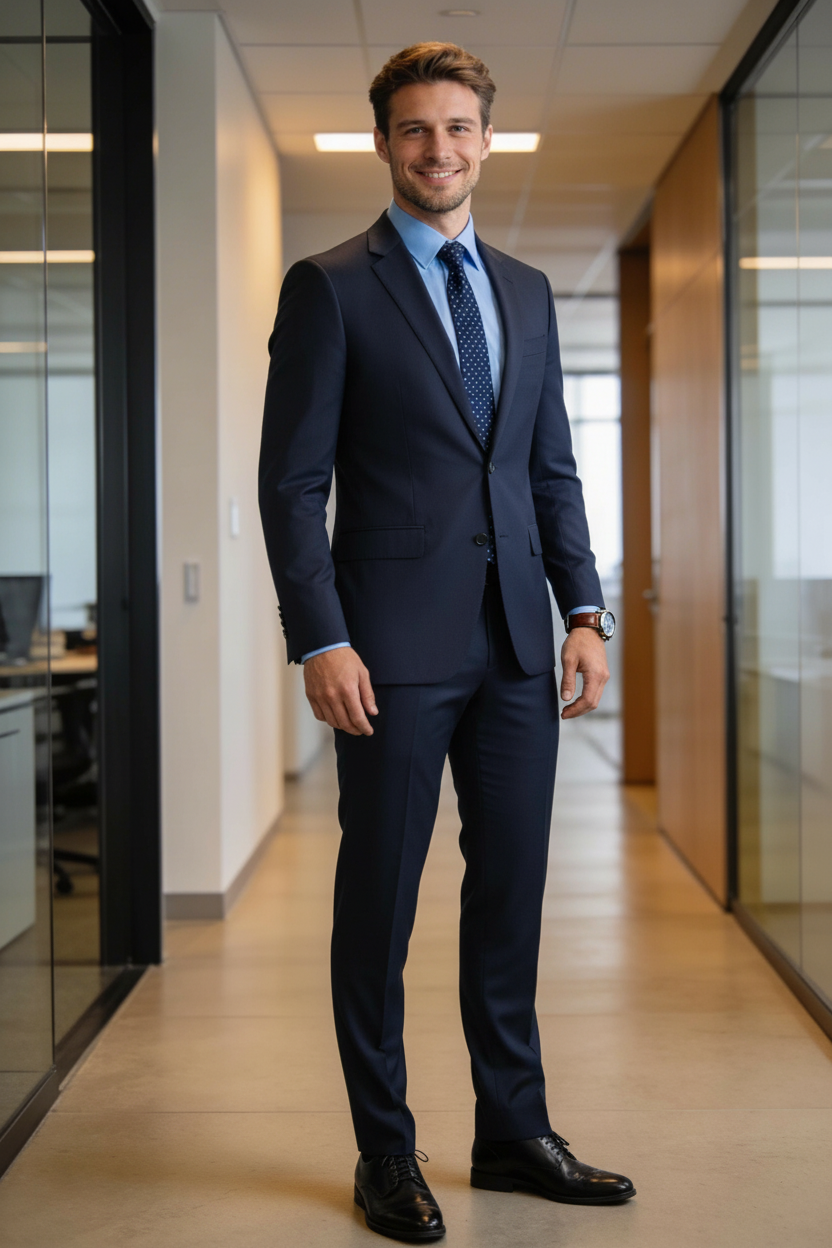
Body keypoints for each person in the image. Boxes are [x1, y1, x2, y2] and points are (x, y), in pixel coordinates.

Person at [259, 41, 634, 1243]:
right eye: (416, 130)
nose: (439, 150)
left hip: (522, 648)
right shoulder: (331, 285)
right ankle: (385, 1150)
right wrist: (320, 637)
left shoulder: (523, 290)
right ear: (384, 142)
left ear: (486, 137)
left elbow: (549, 469)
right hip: (390, 652)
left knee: (510, 895)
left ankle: (512, 1130)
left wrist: (583, 611)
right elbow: (290, 484)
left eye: (460, 128)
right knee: (379, 904)